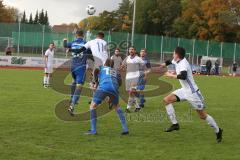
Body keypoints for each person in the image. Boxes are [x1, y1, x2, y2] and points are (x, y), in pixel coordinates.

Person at [161, 47, 223, 143]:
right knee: (166, 100)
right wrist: (162, 65)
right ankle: (175, 124)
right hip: (184, 90)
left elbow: (184, 76)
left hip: (192, 93)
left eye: (174, 53)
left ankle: (218, 130)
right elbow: (170, 61)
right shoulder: (177, 60)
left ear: (177, 55)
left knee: (202, 116)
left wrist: (171, 75)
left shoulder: (183, 64)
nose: (173, 55)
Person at [86, 59, 129, 135]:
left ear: (105, 63)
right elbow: (120, 83)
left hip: (103, 87)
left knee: (92, 106)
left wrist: (96, 82)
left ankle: (93, 130)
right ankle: (125, 129)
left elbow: (95, 70)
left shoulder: (102, 67)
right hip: (114, 89)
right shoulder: (116, 71)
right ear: (113, 65)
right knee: (117, 107)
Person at [63, 30, 91, 115]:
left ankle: (72, 98)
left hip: (73, 67)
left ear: (76, 35)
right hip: (81, 68)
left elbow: (65, 45)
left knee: (74, 82)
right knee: (79, 87)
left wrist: (64, 40)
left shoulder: (72, 43)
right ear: (83, 35)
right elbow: (90, 53)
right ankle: (72, 105)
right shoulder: (86, 43)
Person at [121, 46, 145, 113]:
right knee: (130, 93)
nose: (131, 50)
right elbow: (122, 65)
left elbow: (144, 66)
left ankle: (127, 108)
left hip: (135, 77)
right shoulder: (127, 58)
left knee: (131, 91)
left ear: (135, 51)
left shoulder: (138, 58)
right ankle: (137, 107)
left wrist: (142, 73)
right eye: (130, 49)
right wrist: (122, 68)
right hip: (128, 77)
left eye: (132, 49)